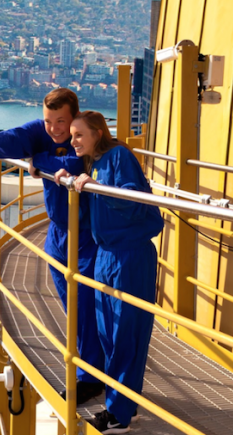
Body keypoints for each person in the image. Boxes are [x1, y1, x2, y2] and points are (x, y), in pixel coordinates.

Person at [0, 88, 105, 404]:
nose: (54, 129)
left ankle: (91, 376)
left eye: (60, 122)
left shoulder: (82, 135)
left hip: (89, 236)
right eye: (49, 121)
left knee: (85, 306)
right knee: (72, 308)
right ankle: (89, 367)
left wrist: (38, 159)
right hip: (59, 236)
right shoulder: (43, 131)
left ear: (74, 116)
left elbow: (76, 166)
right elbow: (17, 136)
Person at [52, 111, 163, 434]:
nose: (72, 141)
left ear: (98, 133)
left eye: (78, 135)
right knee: (108, 335)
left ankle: (119, 415)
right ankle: (126, 406)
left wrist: (95, 186)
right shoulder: (95, 162)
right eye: (71, 135)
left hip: (129, 255)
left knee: (125, 335)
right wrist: (66, 180)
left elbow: (130, 199)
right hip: (107, 255)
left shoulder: (118, 156)